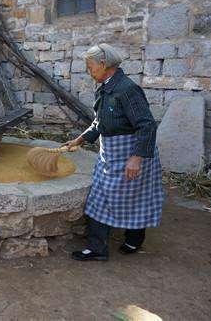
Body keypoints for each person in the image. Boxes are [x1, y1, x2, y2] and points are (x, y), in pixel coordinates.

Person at [65, 43, 165, 261]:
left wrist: (136, 159)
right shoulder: (106, 87)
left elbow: (147, 125)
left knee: (135, 199)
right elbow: (99, 122)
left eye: (90, 66)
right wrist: (80, 140)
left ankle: (134, 240)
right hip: (110, 155)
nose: (88, 71)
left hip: (130, 154)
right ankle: (97, 248)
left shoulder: (127, 89)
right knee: (99, 198)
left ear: (103, 64)